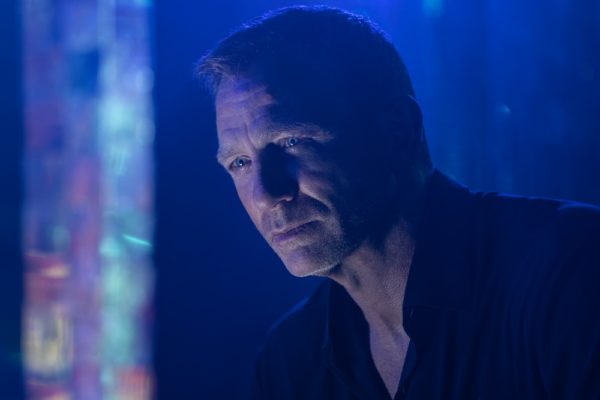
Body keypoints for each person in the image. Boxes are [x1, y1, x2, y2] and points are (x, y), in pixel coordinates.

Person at [197, 6, 600, 399]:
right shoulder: (289, 361)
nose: (266, 195)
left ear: (398, 132)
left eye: (291, 141)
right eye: (239, 163)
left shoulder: (570, 266)